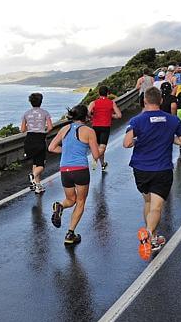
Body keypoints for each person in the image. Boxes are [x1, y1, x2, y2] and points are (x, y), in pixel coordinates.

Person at [123, 87, 181, 260]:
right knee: (156, 207)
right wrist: (170, 139)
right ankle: (149, 233)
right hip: (162, 169)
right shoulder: (172, 120)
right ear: (160, 101)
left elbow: (127, 143)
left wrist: (139, 139)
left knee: (147, 202)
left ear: (145, 101)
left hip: (141, 169)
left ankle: (151, 237)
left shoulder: (136, 120)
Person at [48, 105, 100, 245]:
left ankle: (59, 205)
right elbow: (95, 155)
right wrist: (100, 149)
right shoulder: (89, 131)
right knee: (81, 201)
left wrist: (66, 150)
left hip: (65, 170)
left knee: (70, 200)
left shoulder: (64, 129)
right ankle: (70, 233)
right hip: (80, 170)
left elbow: (51, 147)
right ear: (85, 117)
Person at [20, 93, 53, 194]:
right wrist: (44, 132)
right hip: (40, 139)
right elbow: (50, 127)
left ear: (30, 102)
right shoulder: (45, 113)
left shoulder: (26, 113)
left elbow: (22, 130)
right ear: (41, 101)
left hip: (29, 139)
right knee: (41, 165)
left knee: (35, 163)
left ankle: (37, 186)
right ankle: (32, 176)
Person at [88, 86, 122, 171]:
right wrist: (111, 115)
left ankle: (102, 164)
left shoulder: (93, 103)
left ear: (99, 93)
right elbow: (119, 115)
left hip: (95, 127)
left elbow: (87, 114)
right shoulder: (111, 103)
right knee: (102, 147)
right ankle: (94, 162)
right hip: (105, 127)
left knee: (97, 147)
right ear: (107, 93)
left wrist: (93, 116)